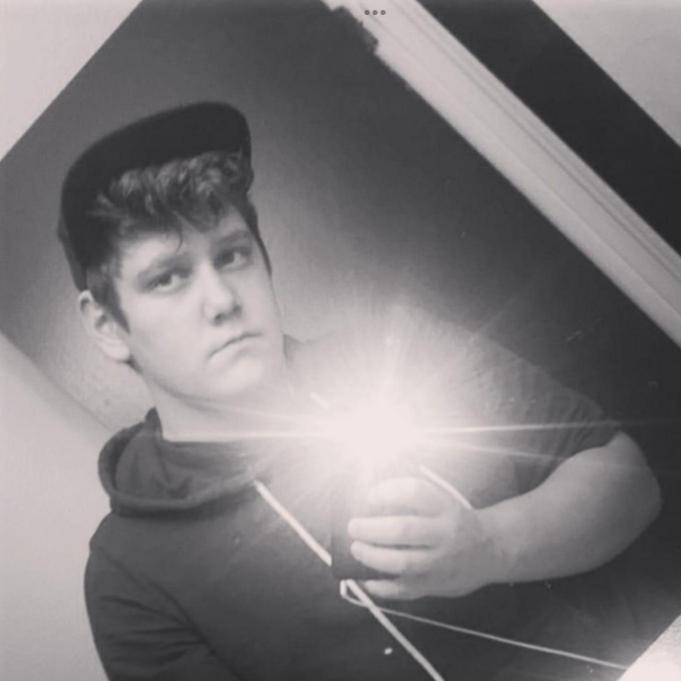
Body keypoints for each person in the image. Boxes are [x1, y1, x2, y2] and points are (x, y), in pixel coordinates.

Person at [58, 102, 661, 681]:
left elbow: (628, 479)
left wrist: (489, 546)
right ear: (107, 325)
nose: (221, 300)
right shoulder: (129, 576)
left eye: (233, 255)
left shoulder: (400, 352)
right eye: (168, 278)